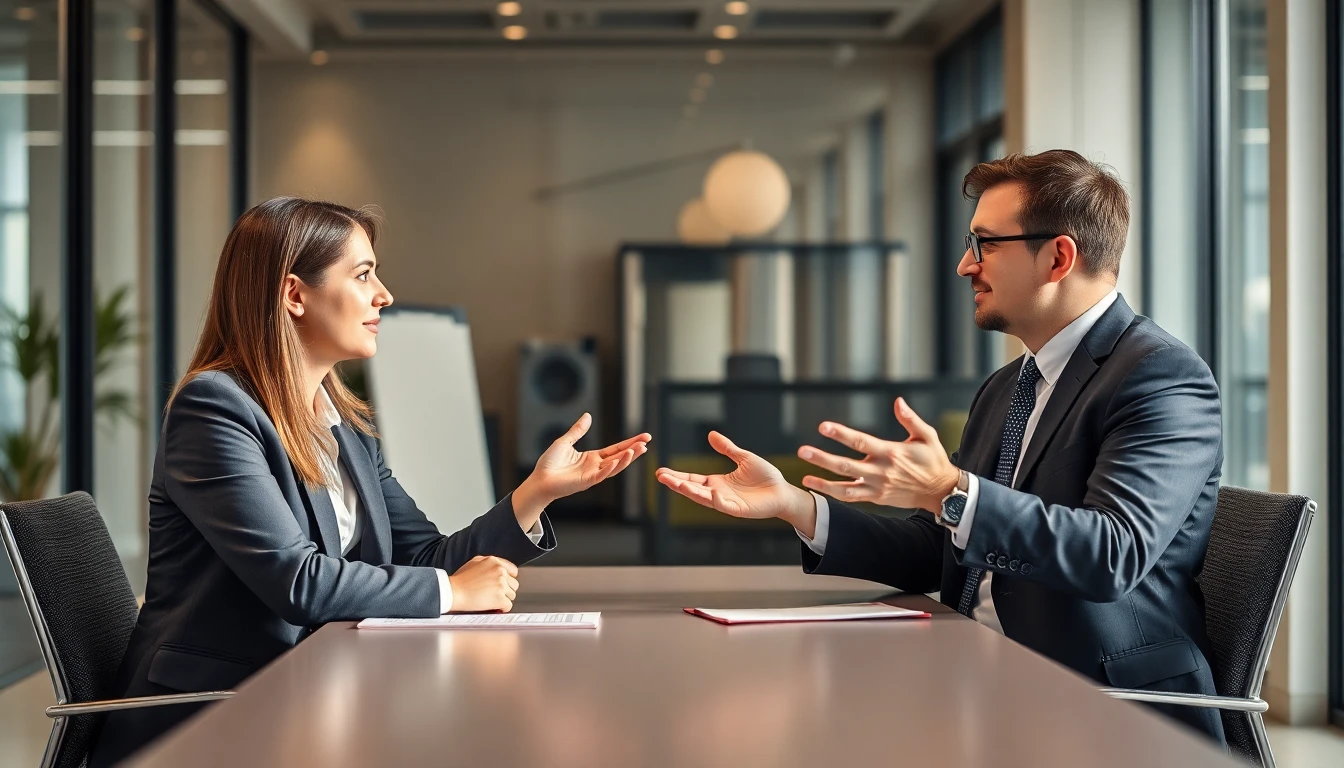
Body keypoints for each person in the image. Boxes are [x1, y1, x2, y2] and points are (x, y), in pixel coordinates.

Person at [656, 150, 1226, 743]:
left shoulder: (1161, 377)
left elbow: (1114, 553)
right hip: (980, 676)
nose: (964, 265)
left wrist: (948, 490)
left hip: (1103, 705)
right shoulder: (1010, 386)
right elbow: (942, 548)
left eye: (985, 244)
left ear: (1058, 257)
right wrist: (794, 505)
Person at [89, 197, 651, 765]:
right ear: (294, 295)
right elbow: (297, 581)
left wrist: (537, 493)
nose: (384, 294)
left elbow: (428, 556)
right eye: (363, 275)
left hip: (305, 697)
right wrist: (453, 593)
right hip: (213, 717)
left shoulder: (343, 427)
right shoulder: (214, 409)